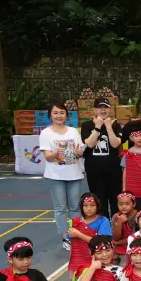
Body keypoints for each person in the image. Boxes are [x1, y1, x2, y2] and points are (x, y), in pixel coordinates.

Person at [39, 102, 85, 250]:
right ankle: (66, 237)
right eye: (55, 113)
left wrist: (79, 153)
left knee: (75, 206)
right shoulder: (46, 133)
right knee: (60, 208)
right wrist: (55, 153)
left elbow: (79, 151)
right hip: (55, 175)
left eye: (62, 113)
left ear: (66, 115)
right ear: (50, 115)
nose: (59, 116)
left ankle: (77, 233)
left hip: (74, 174)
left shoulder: (73, 131)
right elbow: (48, 156)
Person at [81, 97, 123, 218]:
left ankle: (117, 228)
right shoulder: (87, 125)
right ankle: (103, 227)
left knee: (115, 200)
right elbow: (89, 143)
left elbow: (115, 144)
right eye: (100, 107)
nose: (103, 110)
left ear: (110, 109)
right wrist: (98, 127)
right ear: (95, 109)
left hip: (113, 170)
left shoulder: (115, 125)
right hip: (94, 171)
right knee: (99, 201)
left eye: (106, 107)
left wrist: (108, 127)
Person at [68, 193, 112, 281]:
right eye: (85, 205)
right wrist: (71, 267)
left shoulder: (103, 221)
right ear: (81, 207)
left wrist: (79, 234)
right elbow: (73, 247)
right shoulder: (75, 222)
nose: (89, 208)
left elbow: (101, 242)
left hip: (98, 260)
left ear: (97, 206)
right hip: (80, 262)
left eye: (92, 205)